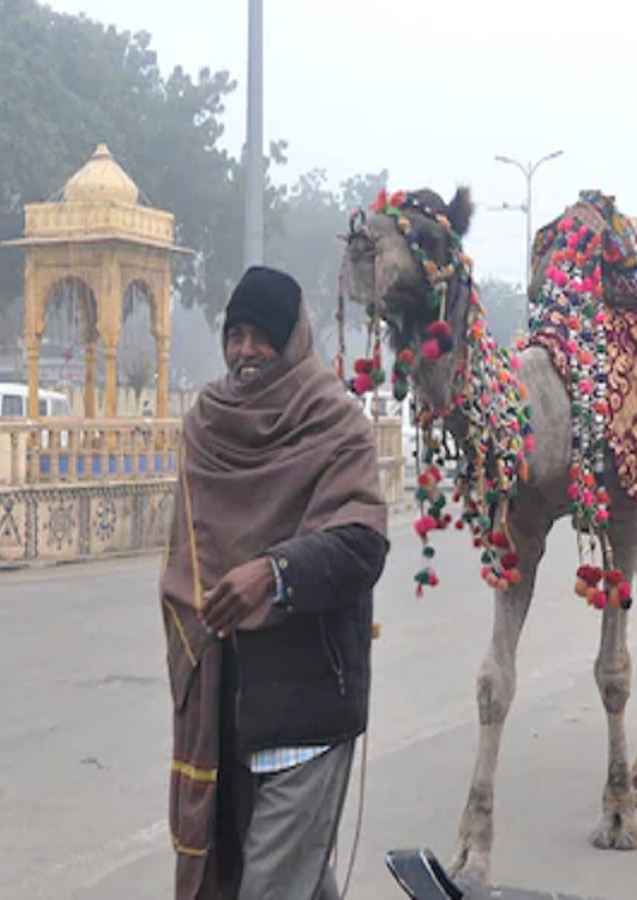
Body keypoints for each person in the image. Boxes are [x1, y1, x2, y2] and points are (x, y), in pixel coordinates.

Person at [160, 265, 390, 900]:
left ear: (292, 341)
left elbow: (362, 543)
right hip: (223, 706)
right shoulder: (206, 424)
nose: (246, 351)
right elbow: (186, 562)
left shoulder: (334, 423)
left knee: (268, 890)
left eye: (263, 335)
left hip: (305, 711)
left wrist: (275, 574)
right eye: (236, 334)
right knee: (280, 883)